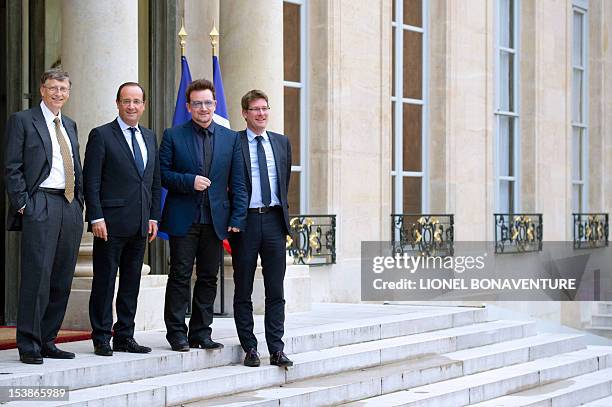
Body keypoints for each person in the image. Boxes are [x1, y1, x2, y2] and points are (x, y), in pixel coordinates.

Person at [159, 79, 247, 352]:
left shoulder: (231, 138)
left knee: (209, 277)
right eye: (197, 103)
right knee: (180, 276)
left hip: (216, 221)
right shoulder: (173, 135)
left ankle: (201, 332)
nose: (203, 108)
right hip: (183, 219)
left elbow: (239, 182)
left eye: (208, 102)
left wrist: (236, 218)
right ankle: (176, 333)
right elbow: (161, 174)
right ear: (188, 107)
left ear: (215, 105)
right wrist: (189, 181)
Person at [5, 69, 84, 364]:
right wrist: (24, 204)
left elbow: (75, 163)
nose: (58, 93)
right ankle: (29, 344)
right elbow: (12, 167)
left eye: (63, 89)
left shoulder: (70, 125)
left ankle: (48, 339)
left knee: (62, 277)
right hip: (41, 202)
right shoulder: (23, 121)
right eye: (53, 88)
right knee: (37, 276)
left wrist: (80, 203)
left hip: (69, 205)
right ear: (42, 90)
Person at [83, 82, 161, 356]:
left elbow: (153, 181)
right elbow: (90, 182)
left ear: (143, 105)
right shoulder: (102, 135)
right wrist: (95, 217)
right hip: (109, 224)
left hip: (140, 224)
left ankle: (125, 336)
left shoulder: (149, 137)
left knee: (131, 282)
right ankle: (101, 337)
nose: (131, 106)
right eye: (126, 101)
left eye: (136, 101)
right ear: (117, 103)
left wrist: (153, 217)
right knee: (104, 282)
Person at [229, 89, 293, 368]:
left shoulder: (281, 143)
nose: (261, 113)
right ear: (245, 113)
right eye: (255, 109)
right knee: (243, 287)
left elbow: (284, 180)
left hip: (275, 221)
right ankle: (250, 348)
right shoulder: (235, 143)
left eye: (265, 108)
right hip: (247, 223)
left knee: (275, 290)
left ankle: (276, 349)